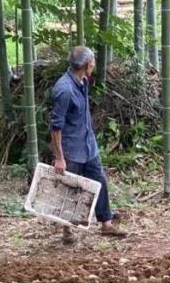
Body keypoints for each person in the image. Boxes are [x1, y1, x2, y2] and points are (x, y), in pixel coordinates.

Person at [49, 45, 126, 243]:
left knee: (100, 181)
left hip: (88, 145)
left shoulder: (82, 81)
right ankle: (67, 230)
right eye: (92, 62)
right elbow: (56, 127)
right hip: (72, 149)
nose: (94, 65)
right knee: (69, 189)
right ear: (85, 65)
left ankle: (106, 224)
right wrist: (59, 157)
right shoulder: (64, 90)